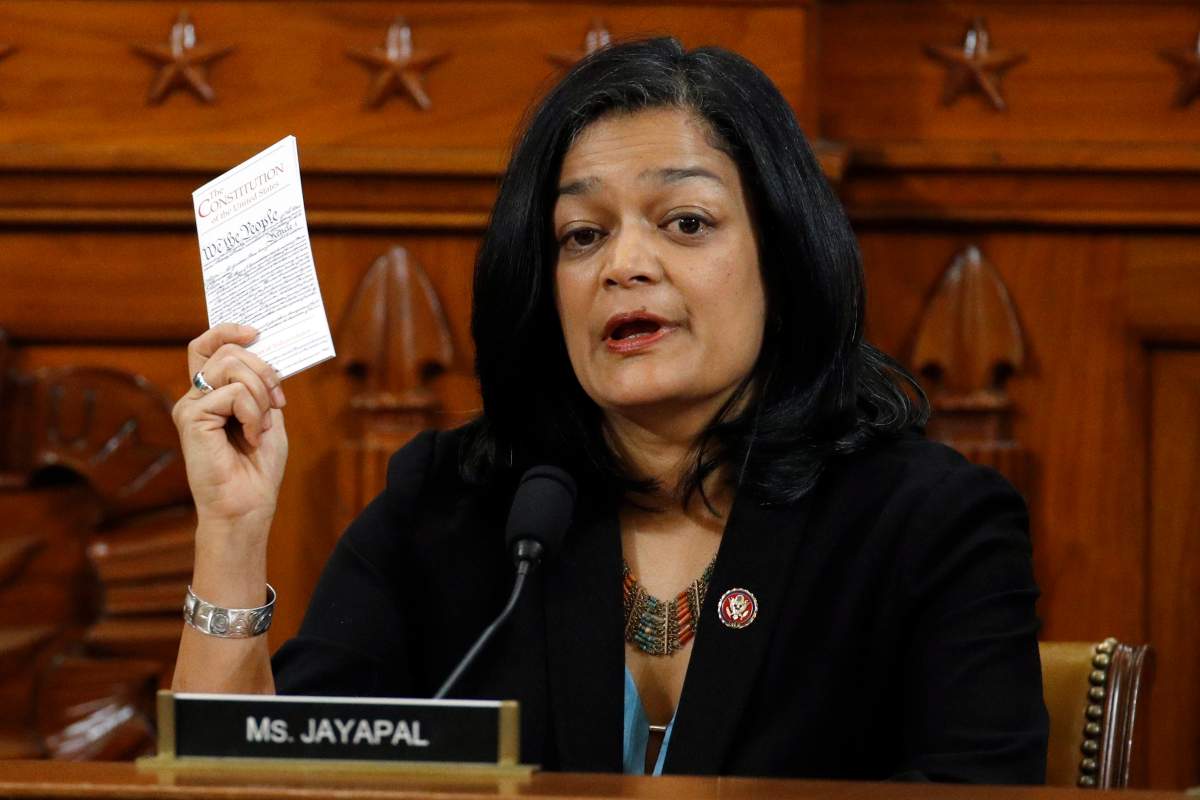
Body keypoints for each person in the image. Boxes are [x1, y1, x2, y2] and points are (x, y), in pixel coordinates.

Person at [171, 38, 1048, 782]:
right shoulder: (456, 505)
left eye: (686, 222)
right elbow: (255, 785)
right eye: (582, 235)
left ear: (782, 259)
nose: (623, 264)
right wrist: (232, 531)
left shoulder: (927, 525)